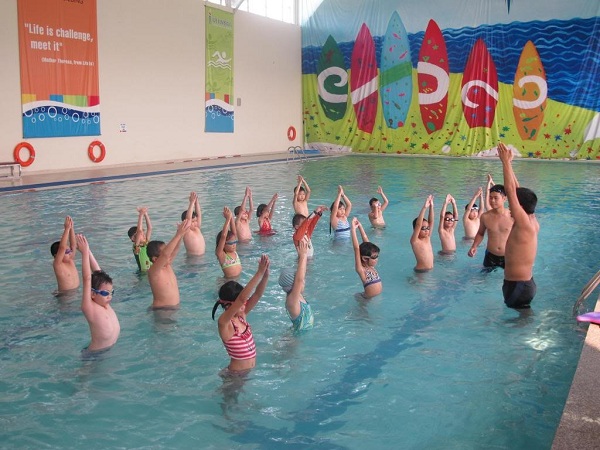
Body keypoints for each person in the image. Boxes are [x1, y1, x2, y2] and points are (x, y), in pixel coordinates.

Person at [497, 142, 539, 309]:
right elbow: (518, 191)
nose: (509, 207)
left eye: (512, 205)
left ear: (520, 207)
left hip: (518, 286)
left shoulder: (524, 224)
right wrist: (510, 164)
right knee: (522, 318)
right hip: (523, 284)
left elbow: (510, 191)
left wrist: (505, 162)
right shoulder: (531, 219)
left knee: (521, 321)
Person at [212, 254, 270, 373]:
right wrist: (258, 273)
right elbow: (242, 299)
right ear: (229, 305)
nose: (245, 305)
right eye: (242, 303)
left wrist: (265, 276)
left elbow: (257, 295)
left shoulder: (241, 316)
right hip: (234, 377)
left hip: (246, 374)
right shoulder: (224, 323)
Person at [76, 234, 119, 353]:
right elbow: (87, 278)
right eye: (105, 293)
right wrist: (84, 253)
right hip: (94, 356)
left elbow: (99, 273)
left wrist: (89, 251)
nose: (109, 296)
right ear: (93, 294)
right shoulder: (89, 307)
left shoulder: (105, 303)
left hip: (108, 352)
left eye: (111, 292)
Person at [467, 183, 513, 271]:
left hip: (508, 255)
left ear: (504, 198)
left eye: (496, 198)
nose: (492, 200)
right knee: (483, 276)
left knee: (510, 278)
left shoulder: (512, 216)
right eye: (490, 197)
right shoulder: (485, 217)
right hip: (490, 255)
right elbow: (480, 233)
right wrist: (474, 246)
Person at [147, 219, 191, 309]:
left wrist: (181, 234)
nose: (169, 253)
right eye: (166, 250)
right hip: (161, 310)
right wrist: (178, 235)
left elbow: (175, 249)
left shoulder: (167, 265)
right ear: (155, 259)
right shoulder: (153, 271)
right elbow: (165, 254)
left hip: (172, 308)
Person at [279, 238, 314, 330]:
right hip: (297, 337)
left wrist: (301, 257)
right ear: (294, 284)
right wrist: (303, 256)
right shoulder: (292, 300)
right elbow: (299, 279)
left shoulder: (297, 296)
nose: (304, 281)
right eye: (302, 281)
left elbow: (300, 275)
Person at [351, 217, 382, 298]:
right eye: (374, 257)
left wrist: (360, 226)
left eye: (377, 256)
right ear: (364, 258)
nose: (377, 259)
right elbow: (356, 248)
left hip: (373, 298)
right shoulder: (361, 270)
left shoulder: (371, 266)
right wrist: (353, 229)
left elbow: (367, 243)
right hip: (365, 299)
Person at [51, 216, 80, 292]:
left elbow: (73, 245)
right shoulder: (58, 264)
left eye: (69, 251)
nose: (70, 253)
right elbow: (62, 247)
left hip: (76, 293)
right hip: (64, 296)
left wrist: (71, 228)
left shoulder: (70, 260)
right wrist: (66, 229)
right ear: (56, 256)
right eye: (67, 252)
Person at [216, 207, 242, 278]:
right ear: (223, 244)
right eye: (230, 243)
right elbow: (223, 236)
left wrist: (231, 217)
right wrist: (227, 219)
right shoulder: (221, 255)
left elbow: (234, 232)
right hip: (228, 282)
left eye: (235, 242)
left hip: (238, 281)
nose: (234, 245)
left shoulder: (234, 251)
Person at [410, 195, 434, 272]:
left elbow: (431, 222)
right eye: (423, 228)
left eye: (427, 228)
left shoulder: (427, 238)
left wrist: (431, 206)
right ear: (416, 230)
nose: (426, 230)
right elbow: (418, 225)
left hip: (429, 270)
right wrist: (424, 207)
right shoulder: (415, 241)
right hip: (421, 272)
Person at [127, 207, 153, 272]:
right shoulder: (136, 247)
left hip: (152, 271)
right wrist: (141, 214)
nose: (143, 234)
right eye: (141, 234)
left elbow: (150, 228)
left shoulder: (146, 242)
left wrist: (146, 214)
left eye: (143, 233)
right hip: (143, 274)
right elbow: (139, 231)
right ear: (133, 238)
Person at [181, 192, 205, 256]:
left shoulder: (197, 229)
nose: (195, 223)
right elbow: (188, 219)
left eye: (195, 221)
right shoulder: (186, 231)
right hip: (192, 258)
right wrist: (191, 202)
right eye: (192, 221)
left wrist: (196, 202)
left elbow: (199, 215)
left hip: (202, 257)